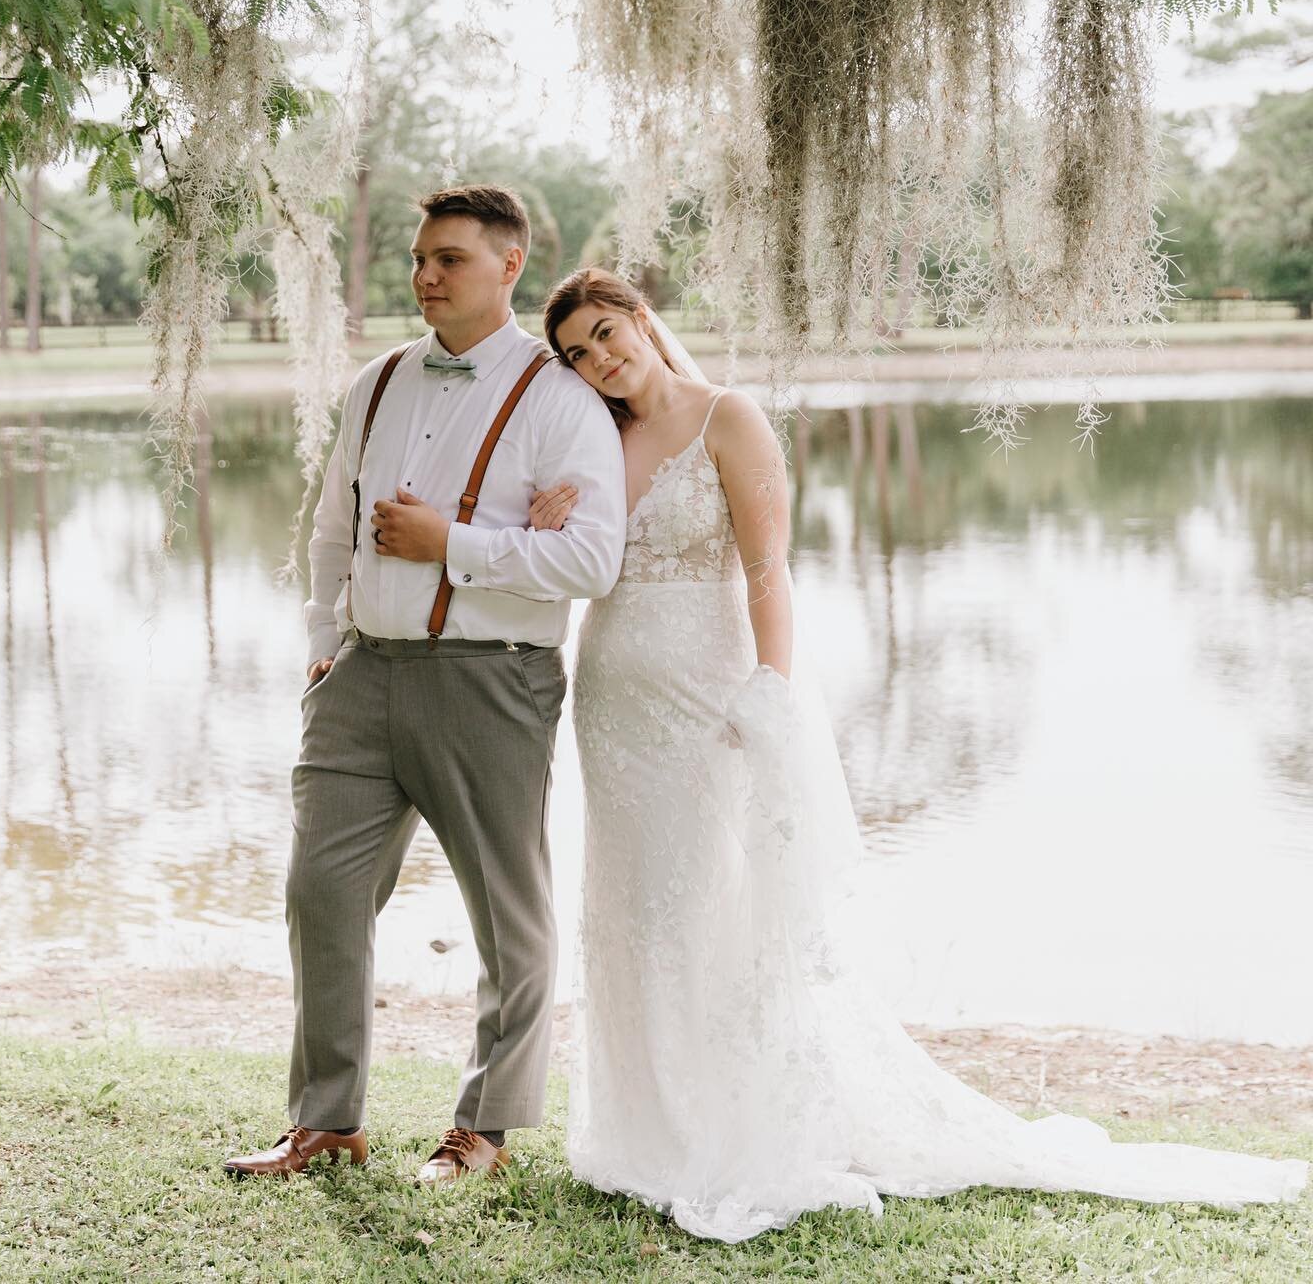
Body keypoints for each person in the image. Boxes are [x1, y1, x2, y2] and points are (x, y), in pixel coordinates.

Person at [540, 265, 1309, 1243]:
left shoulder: (725, 417)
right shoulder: (593, 438)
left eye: (607, 333)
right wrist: (548, 520)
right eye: (578, 354)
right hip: (610, 699)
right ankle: (643, 1129)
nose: (600, 359)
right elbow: (581, 562)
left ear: (642, 322)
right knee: (630, 904)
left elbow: (771, 569)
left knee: (708, 901)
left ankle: (728, 1122)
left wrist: (772, 688)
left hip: (706, 695)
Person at [225, 189, 625, 1185]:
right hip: (360, 679)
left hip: (492, 682)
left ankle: (482, 1131)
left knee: (506, 915)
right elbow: (330, 527)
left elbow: (591, 562)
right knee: (319, 894)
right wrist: (325, 640)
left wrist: (457, 545)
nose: (427, 276)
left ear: (510, 263)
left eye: (449, 257)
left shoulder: (561, 400)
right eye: (417, 259)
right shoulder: (378, 381)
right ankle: (326, 1123)